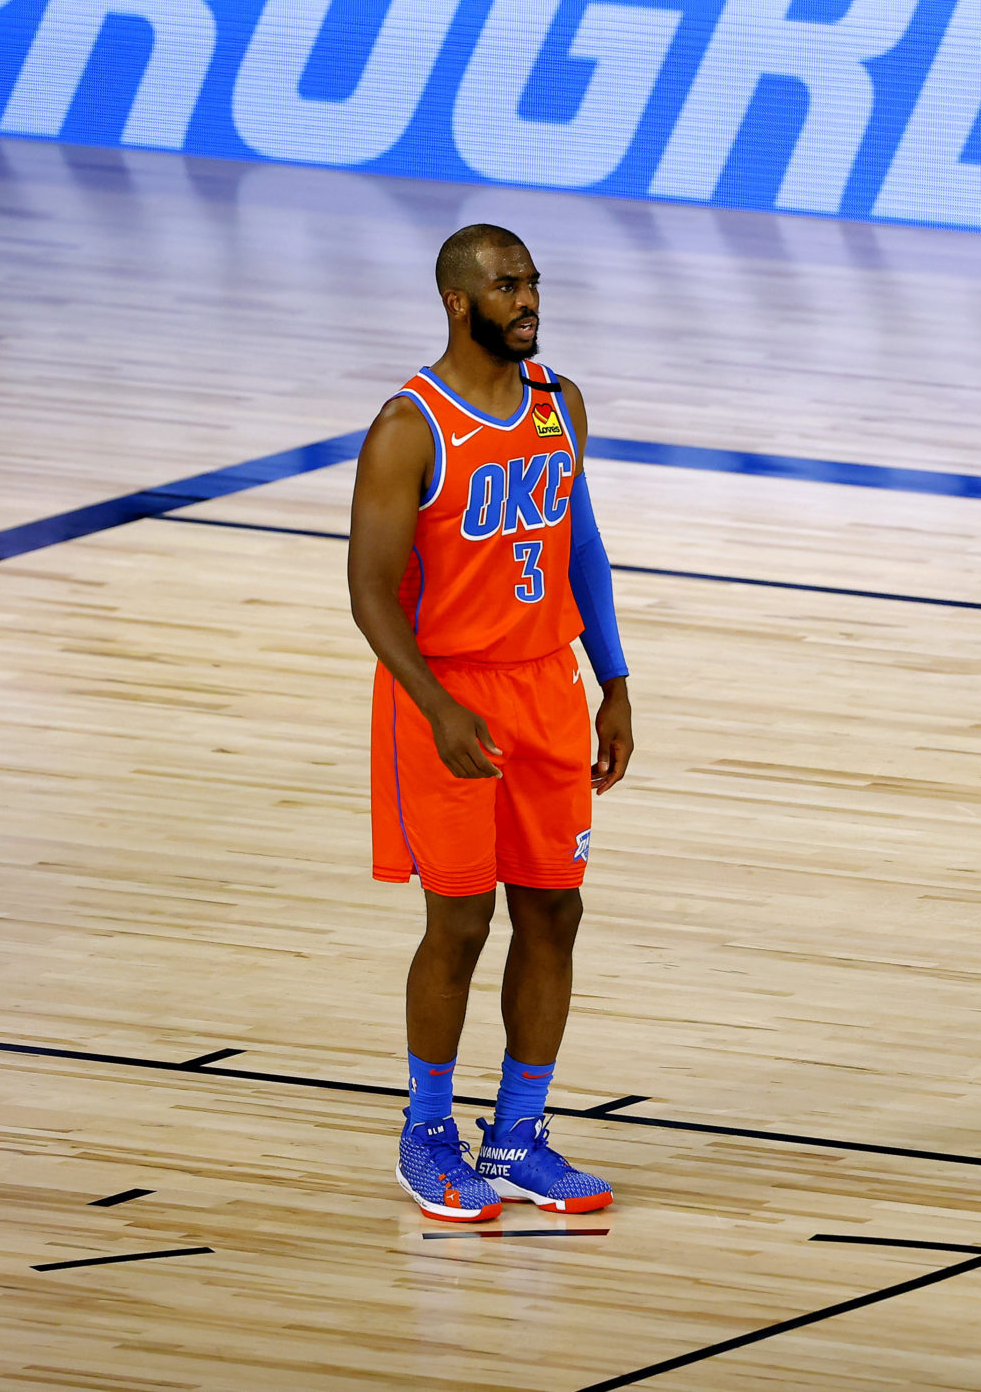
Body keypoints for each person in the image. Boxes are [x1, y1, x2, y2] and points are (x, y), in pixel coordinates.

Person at [347, 223, 635, 1224]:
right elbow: (370, 593)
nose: (529, 301)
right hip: (447, 692)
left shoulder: (560, 408)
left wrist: (615, 680)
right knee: (460, 920)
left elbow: (581, 548)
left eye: (533, 284)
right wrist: (437, 708)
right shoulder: (408, 425)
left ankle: (516, 1139)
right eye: (508, 286)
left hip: (545, 687)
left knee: (555, 909)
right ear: (459, 302)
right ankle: (426, 1135)